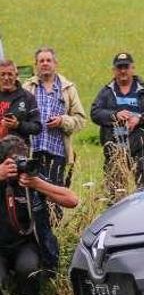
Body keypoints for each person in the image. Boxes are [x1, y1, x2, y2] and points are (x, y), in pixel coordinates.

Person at [0, 134, 79, 295]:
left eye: (22, 159)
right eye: (12, 161)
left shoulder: (32, 177)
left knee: (30, 270)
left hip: (26, 244)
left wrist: (37, 183)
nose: (18, 166)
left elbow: (72, 200)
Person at [91, 53, 144, 192]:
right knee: (115, 193)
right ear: (114, 70)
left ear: (133, 68)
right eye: (119, 68)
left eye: (126, 67)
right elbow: (95, 113)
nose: (123, 71)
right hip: (115, 149)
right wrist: (115, 115)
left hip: (142, 148)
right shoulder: (106, 92)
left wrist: (140, 119)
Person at [22, 48, 87, 190]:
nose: (45, 64)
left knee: (55, 197)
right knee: (33, 198)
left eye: (48, 60)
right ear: (36, 65)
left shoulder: (68, 88)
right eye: (41, 61)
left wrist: (62, 121)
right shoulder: (27, 87)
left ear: (55, 64)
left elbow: (81, 120)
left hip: (58, 153)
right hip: (32, 152)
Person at [0, 61, 41, 142]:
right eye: (2, 74)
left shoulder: (28, 97)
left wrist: (18, 125)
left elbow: (37, 127)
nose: (6, 78)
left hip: (18, 150)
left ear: (16, 76)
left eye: (10, 74)